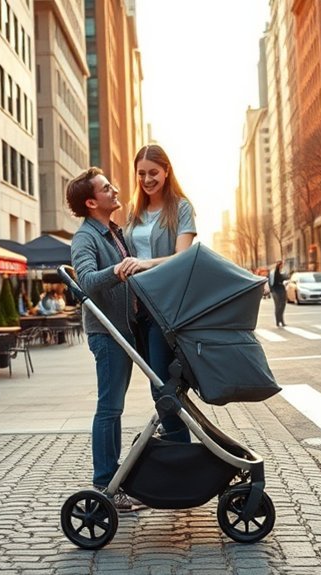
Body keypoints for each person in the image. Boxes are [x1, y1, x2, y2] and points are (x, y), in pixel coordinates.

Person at [67, 166, 142, 512]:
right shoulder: (86, 237)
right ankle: (105, 483)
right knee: (110, 408)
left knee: (115, 407)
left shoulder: (114, 232)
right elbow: (85, 281)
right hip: (108, 335)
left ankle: (115, 479)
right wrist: (116, 270)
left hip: (127, 330)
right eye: (106, 188)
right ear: (91, 201)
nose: (114, 190)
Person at [119, 144, 197, 444]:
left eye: (154, 172)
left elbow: (183, 256)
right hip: (139, 308)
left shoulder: (181, 208)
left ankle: (180, 446)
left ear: (166, 172)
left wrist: (145, 264)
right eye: (141, 173)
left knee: (160, 383)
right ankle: (177, 439)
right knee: (157, 380)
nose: (147, 179)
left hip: (166, 307)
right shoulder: (134, 210)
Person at [270, 261, 287, 327]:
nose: (282, 266)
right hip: (277, 291)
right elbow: (273, 282)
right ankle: (279, 321)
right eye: (281, 265)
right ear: (279, 265)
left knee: (280, 306)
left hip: (280, 290)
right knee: (279, 306)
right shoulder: (275, 272)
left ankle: (280, 321)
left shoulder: (279, 272)